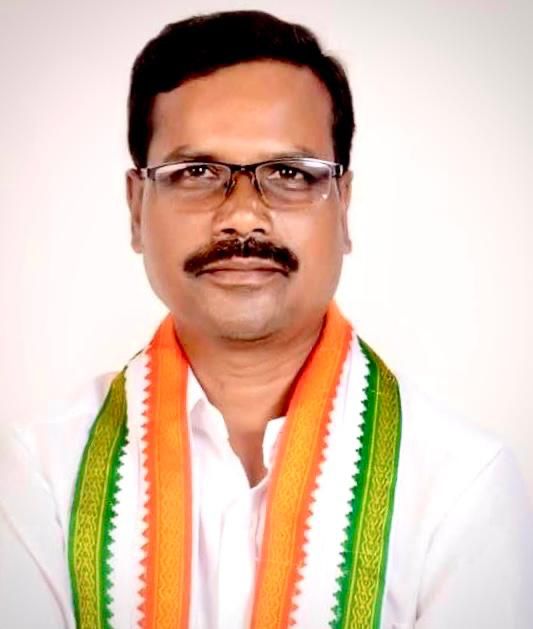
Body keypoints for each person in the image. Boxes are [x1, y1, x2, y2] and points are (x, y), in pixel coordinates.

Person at [1, 10, 532, 629]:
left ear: (344, 208)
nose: (243, 217)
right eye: (197, 172)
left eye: (290, 174)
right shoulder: (40, 474)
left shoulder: (460, 487)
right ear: (137, 209)